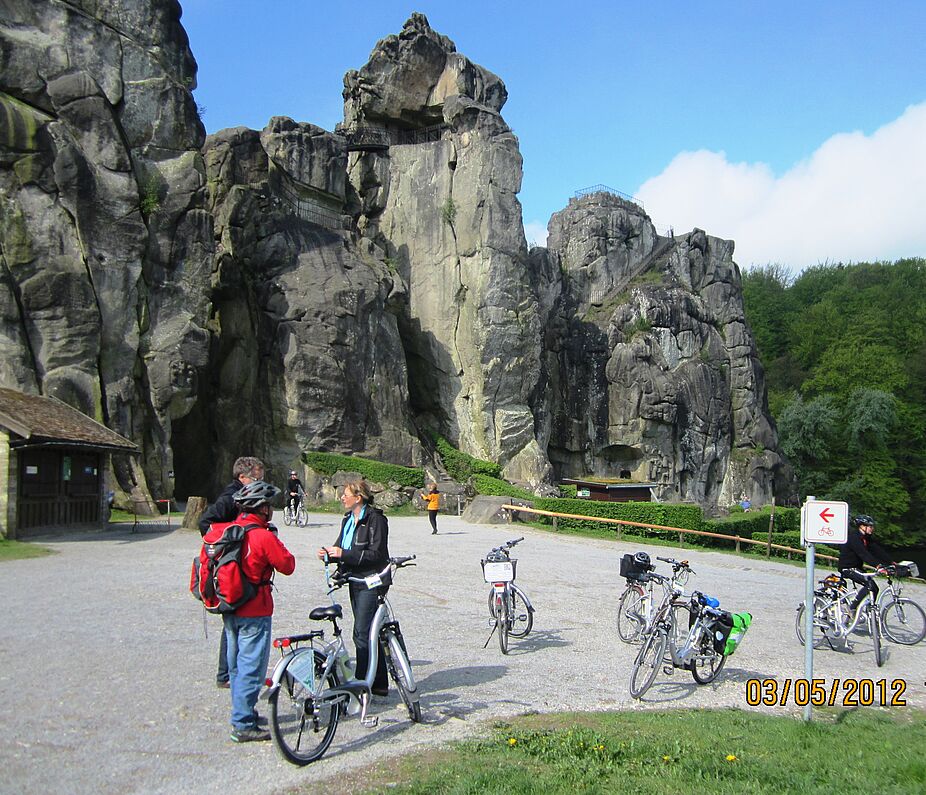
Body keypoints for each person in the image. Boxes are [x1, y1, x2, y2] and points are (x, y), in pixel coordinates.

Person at [203, 480, 295, 743]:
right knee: (251, 666)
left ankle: (243, 712)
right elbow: (288, 565)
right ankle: (243, 723)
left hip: (229, 605)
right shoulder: (263, 535)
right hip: (255, 608)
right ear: (263, 508)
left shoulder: (228, 530)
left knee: (235, 664)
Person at [316, 479, 390, 696]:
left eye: (345, 494)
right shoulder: (348, 519)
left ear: (358, 498)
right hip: (354, 579)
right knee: (369, 633)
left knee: (361, 633)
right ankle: (379, 683)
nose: (342, 497)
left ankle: (360, 685)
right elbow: (341, 546)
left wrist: (343, 554)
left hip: (372, 579)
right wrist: (329, 554)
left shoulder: (376, 520)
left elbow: (376, 554)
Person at [198, 456, 265, 688]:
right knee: (233, 622)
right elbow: (205, 522)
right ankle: (227, 675)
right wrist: (227, 545)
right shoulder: (231, 497)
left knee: (235, 621)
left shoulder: (244, 496)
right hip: (230, 569)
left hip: (238, 568)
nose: (259, 482)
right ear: (243, 477)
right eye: (257, 478)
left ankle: (228, 673)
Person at [838, 514, 894, 610]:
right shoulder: (854, 538)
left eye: (872, 526)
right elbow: (863, 554)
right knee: (870, 585)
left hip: (857, 568)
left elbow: (877, 550)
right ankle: (852, 609)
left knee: (874, 588)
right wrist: (878, 566)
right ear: (862, 526)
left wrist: (891, 562)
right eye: (869, 526)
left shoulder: (866, 538)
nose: (872, 528)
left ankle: (870, 612)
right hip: (848, 568)